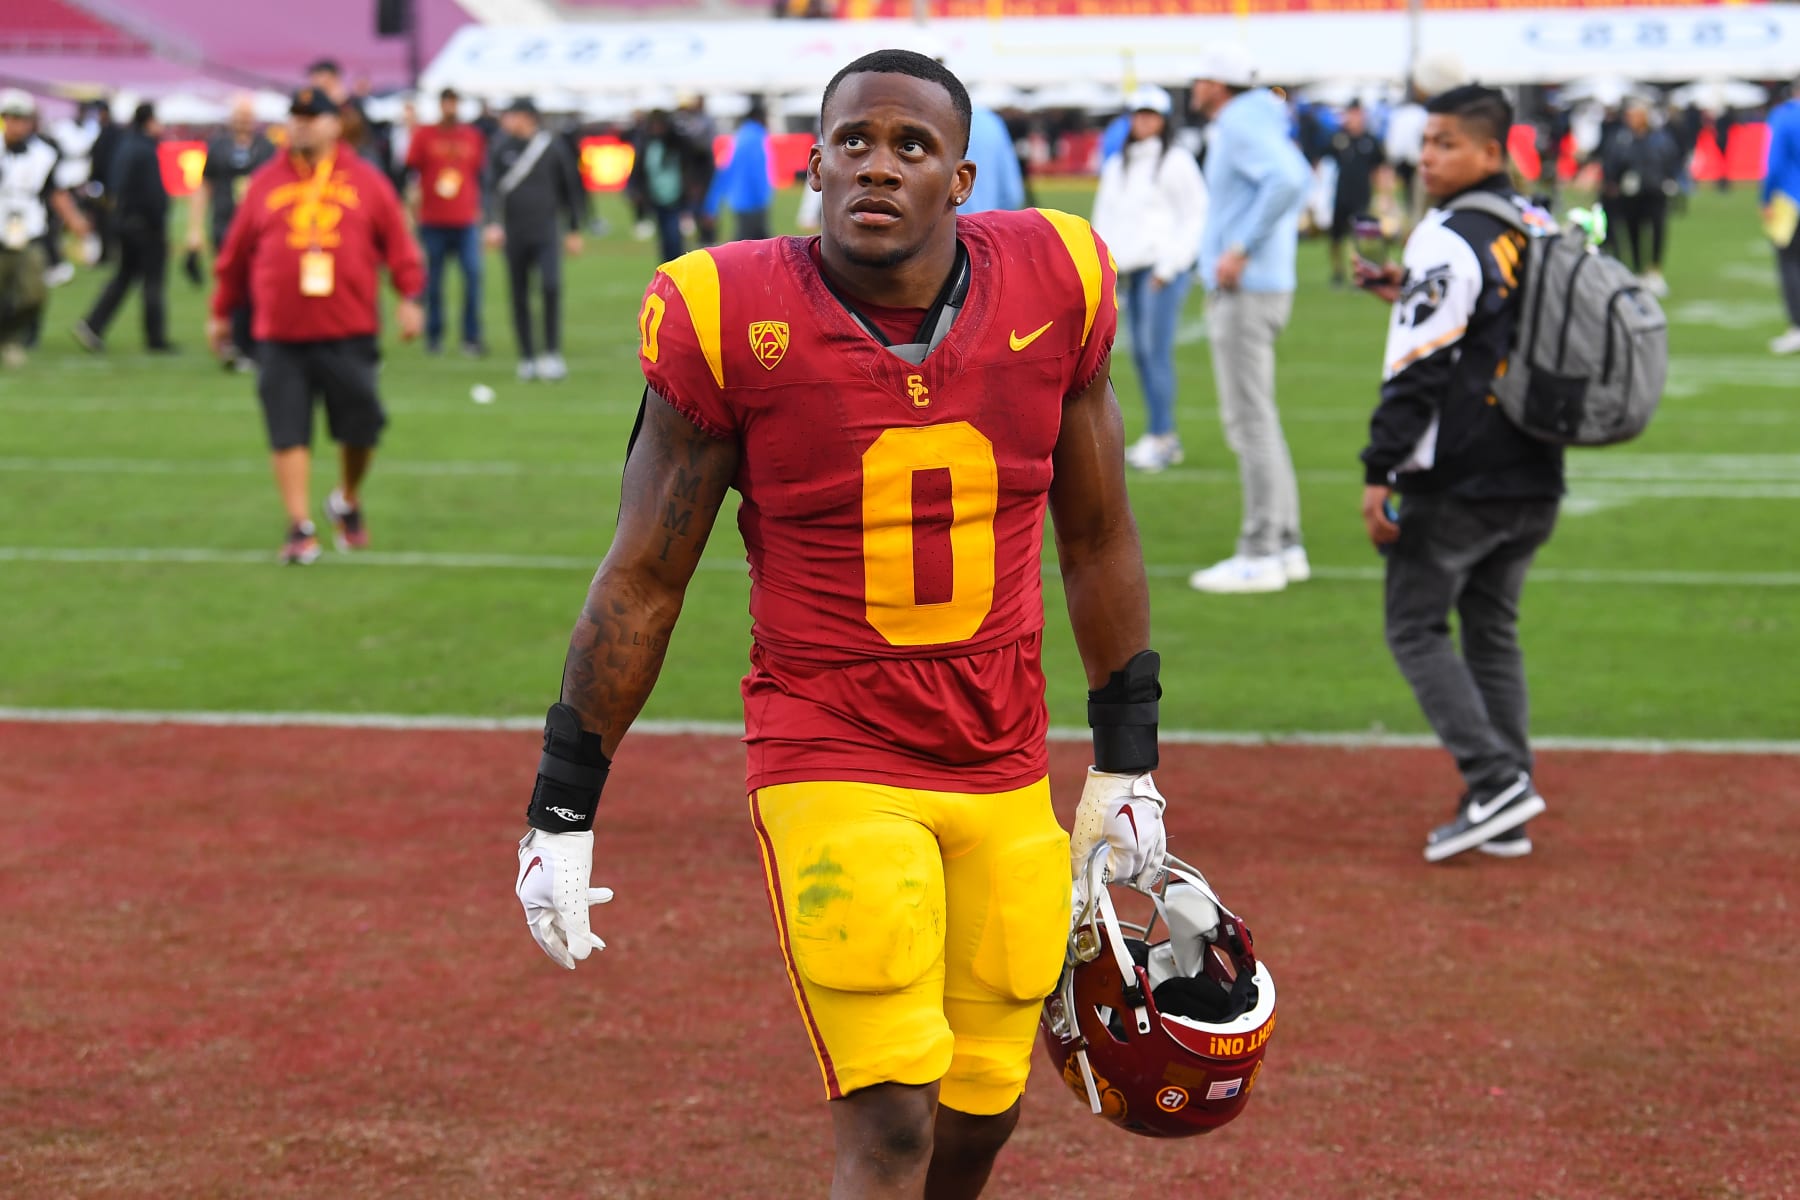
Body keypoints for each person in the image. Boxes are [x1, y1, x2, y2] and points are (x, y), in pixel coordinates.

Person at [512, 48, 1179, 1199]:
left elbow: (1098, 535)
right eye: (854, 143)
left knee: (985, 1102)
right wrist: (562, 806)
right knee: (892, 1123)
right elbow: (644, 578)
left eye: (911, 147)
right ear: (811, 165)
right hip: (831, 752)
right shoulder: (728, 312)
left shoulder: (1057, 279)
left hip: (1003, 758)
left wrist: (1129, 759)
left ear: (960, 179)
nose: (879, 166)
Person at [1353, 85, 1560, 863]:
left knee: (1413, 625)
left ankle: (1494, 778)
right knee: (1491, 629)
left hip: (1461, 474)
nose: (1428, 156)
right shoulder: (1534, 222)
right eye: (1426, 141)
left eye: (1445, 143)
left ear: (1490, 153)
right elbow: (1496, 333)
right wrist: (1399, 294)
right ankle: (1505, 800)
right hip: (1536, 463)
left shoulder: (1445, 237)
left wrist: (1381, 470)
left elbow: (1420, 370)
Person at [209, 88, 424, 564]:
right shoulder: (265, 182)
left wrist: (409, 296)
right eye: (296, 116)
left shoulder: (365, 180)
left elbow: (397, 241)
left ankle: (346, 498)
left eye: (313, 117)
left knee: (362, 426)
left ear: (335, 124)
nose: (302, 125)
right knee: (288, 429)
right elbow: (235, 253)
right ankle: (299, 526)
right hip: (279, 331)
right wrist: (220, 311)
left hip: (348, 326)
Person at [1188, 46, 1312, 594]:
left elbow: (1288, 180)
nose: (1193, 85)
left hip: (1246, 288)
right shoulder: (1257, 117)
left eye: (1201, 75)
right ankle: (1284, 543)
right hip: (1265, 284)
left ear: (1220, 82)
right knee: (1260, 418)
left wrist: (1239, 247)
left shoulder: (1239, 122)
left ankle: (1262, 549)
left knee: (1249, 422)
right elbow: (1293, 175)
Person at [1091, 84, 1206, 473]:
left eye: (1150, 115)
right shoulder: (1118, 164)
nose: (1143, 121)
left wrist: (1171, 266)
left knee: (1154, 352)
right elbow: (1105, 216)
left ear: (1162, 120)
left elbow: (1195, 215)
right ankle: (1160, 435)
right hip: (1130, 272)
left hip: (1160, 272)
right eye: (1138, 114)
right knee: (1140, 353)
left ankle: (1163, 435)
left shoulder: (1175, 161)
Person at [483, 97, 585, 382]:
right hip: (515, 232)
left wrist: (574, 229)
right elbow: (491, 188)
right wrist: (492, 223)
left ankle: (551, 353)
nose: (507, 120)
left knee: (551, 287)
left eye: (512, 114)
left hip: (546, 231)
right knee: (519, 293)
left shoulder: (552, 148)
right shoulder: (501, 147)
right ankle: (527, 356)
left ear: (527, 117)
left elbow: (570, 188)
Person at [1, 89, 95, 368]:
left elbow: (55, 192)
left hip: (30, 230)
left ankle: (9, 337)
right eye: (12, 118)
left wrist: (76, 222)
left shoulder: (44, 153)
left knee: (33, 295)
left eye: (23, 119)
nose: (18, 125)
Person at [74, 101, 173, 354]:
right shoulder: (146, 150)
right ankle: (156, 338)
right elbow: (153, 195)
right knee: (152, 281)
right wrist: (159, 223)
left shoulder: (125, 144)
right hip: (145, 226)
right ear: (149, 121)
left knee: (124, 277)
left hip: (123, 221)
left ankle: (93, 325)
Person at [187, 94, 275, 370]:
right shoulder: (218, 147)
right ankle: (233, 343)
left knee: (258, 285)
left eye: (247, 115)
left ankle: (255, 343)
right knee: (229, 282)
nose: (243, 121)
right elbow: (203, 187)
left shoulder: (267, 148)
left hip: (259, 229)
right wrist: (195, 228)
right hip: (224, 225)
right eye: (238, 115)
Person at [405, 87, 486, 355]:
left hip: (465, 220)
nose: (450, 108)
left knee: (473, 277)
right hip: (433, 219)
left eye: (454, 102)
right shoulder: (425, 135)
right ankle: (435, 335)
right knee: (434, 281)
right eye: (446, 103)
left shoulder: (472, 136)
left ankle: (471, 336)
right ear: (440, 105)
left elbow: (480, 174)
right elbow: (410, 171)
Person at [1600, 100, 1678, 297]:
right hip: (1630, 194)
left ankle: (1655, 271)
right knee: (1632, 231)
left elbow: (1669, 158)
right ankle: (1637, 269)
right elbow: (1612, 161)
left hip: (1654, 191)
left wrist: (1667, 179)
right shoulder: (1622, 138)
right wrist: (1614, 181)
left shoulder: (1658, 138)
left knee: (1657, 231)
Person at [1326, 102, 1389, 287]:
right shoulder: (1339, 138)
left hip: (1362, 195)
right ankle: (1338, 272)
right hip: (1341, 193)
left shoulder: (1370, 141)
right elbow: (1324, 162)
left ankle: (1363, 273)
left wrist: (1384, 195)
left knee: (1363, 236)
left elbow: (1380, 169)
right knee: (1336, 236)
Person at [625, 110, 693, 263]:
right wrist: (635, 190)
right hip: (656, 196)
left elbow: (694, 161)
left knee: (674, 237)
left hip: (675, 197)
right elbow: (639, 169)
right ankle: (668, 270)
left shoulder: (678, 143)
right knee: (665, 239)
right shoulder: (647, 143)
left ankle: (676, 269)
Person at [1762, 83, 1800, 355]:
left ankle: (1797, 327)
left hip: (1790, 200)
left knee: (1789, 264)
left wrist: (1765, 199)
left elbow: (1773, 163)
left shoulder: (1784, 116)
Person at [710, 99, 775, 240]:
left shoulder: (740, 136)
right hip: (753, 201)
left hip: (739, 199)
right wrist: (762, 197)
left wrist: (713, 204)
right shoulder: (757, 137)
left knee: (746, 243)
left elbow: (725, 169)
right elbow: (758, 171)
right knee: (758, 247)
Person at [959, 102, 1024, 215]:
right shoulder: (991, 122)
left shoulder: (931, 116)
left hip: (937, 227)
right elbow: (1012, 194)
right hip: (983, 223)